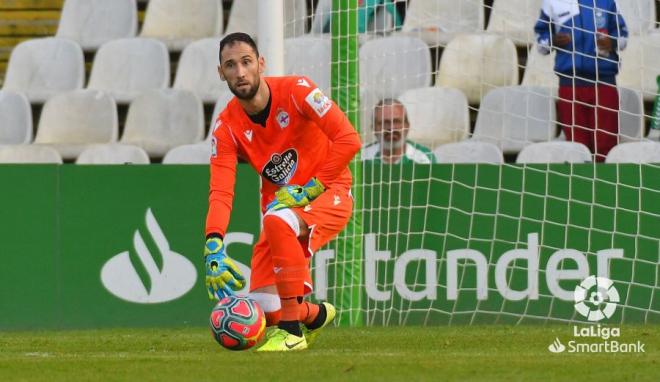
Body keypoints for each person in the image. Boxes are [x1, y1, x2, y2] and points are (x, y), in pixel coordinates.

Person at [204, 33, 361, 352]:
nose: (240, 72)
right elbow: (221, 191)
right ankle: (314, 315)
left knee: (276, 220)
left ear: (260, 63)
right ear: (221, 73)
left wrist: (311, 189)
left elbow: (349, 139)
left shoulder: (298, 90)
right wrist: (214, 244)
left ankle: (293, 332)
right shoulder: (226, 128)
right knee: (264, 309)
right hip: (281, 209)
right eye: (230, 65)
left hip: (328, 193)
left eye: (246, 62)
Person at [534, 0, 628, 161]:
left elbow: (623, 38)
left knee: (606, 145)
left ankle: (607, 184)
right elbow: (540, 45)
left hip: (604, 84)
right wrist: (552, 40)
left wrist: (612, 42)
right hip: (570, 85)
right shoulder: (552, 3)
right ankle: (580, 183)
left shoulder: (607, 2)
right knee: (576, 147)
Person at [362, 98, 435, 164]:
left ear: (407, 125)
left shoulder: (423, 158)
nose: (391, 128)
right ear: (373, 128)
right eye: (384, 122)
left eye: (397, 121)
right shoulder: (361, 158)